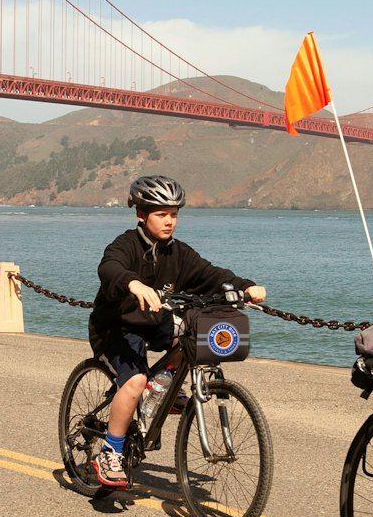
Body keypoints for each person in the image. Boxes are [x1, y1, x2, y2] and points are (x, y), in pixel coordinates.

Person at [87, 175, 266, 489]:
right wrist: (134, 283)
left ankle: (164, 391)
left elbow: (211, 274)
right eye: (161, 214)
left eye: (174, 214)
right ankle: (110, 451)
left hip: (155, 323)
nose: (169, 221)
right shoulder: (125, 245)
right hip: (115, 327)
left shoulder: (178, 253)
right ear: (141, 214)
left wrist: (245, 286)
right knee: (135, 380)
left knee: (190, 339)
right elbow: (110, 267)